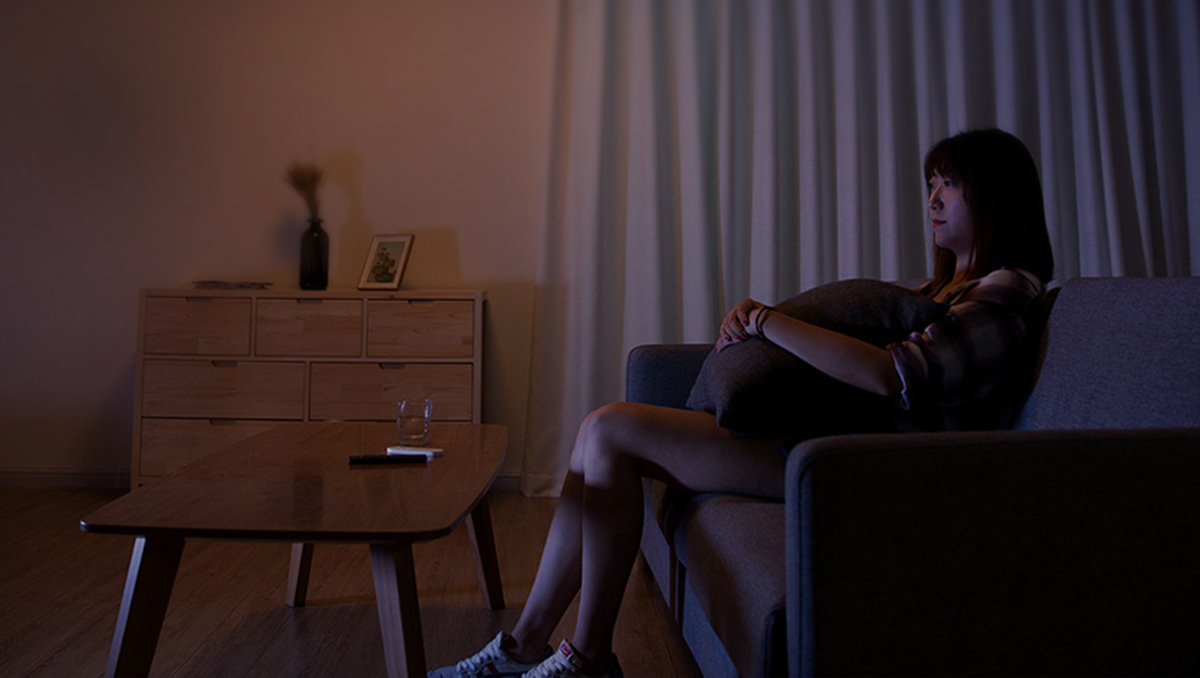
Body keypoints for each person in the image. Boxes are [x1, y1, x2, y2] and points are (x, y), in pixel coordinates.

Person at [429, 128, 1055, 678]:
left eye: (950, 185)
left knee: (612, 431)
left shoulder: (1006, 293)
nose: (933, 200)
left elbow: (892, 375)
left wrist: (766, 322)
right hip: (825, 440)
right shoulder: (938, 290)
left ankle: (584, 658)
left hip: (862, 464)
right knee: (598, 432)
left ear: (995, 195)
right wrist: (764, 330)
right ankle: (526, 646)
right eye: (931, 185)